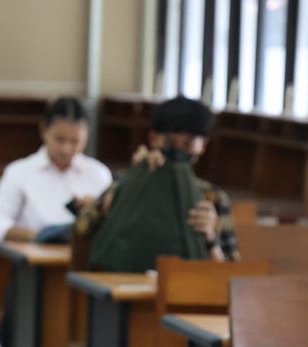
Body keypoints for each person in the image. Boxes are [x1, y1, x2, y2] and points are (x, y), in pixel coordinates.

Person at [77, 95, 239, 272]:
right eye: (170, 143)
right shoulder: (126, 180)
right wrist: (135, 178)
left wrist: (210, 237)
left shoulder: (213, 197)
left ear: (203, 145)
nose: (178, 152)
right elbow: (83, 226)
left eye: (188, 143)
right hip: (126, 288)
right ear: (154, 138)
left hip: (186, 290)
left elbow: (230, 274)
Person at [0, 96, 112, 243]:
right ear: (44, 130)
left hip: (87, 260)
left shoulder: (98, 173)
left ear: (87, 136)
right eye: (60, 139)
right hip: (34, 258)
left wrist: (98, 210)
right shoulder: (19, 172)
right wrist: (39, 236)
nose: (66, 149)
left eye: (75, 141)